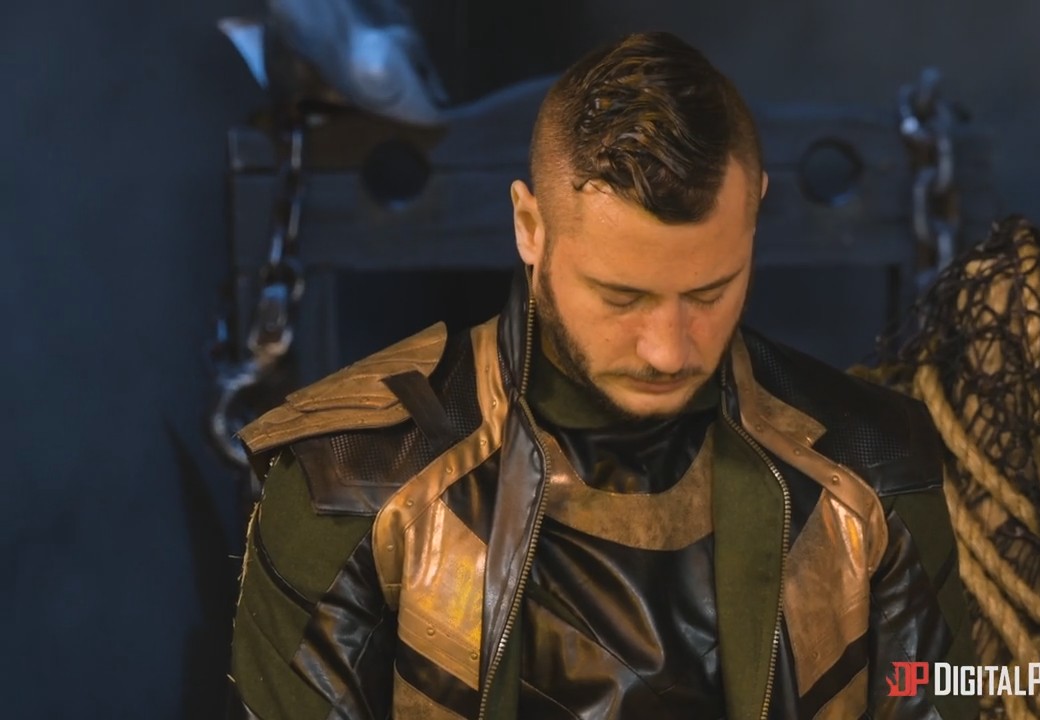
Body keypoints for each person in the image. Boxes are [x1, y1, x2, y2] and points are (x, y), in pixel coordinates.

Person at [228, 31, 977, 720]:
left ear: (755, 212)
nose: (669, 350)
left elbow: (937, 697)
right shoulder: (350, 477)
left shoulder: (876, 467)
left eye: (710, 293)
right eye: (622, 298)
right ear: (530, 228)